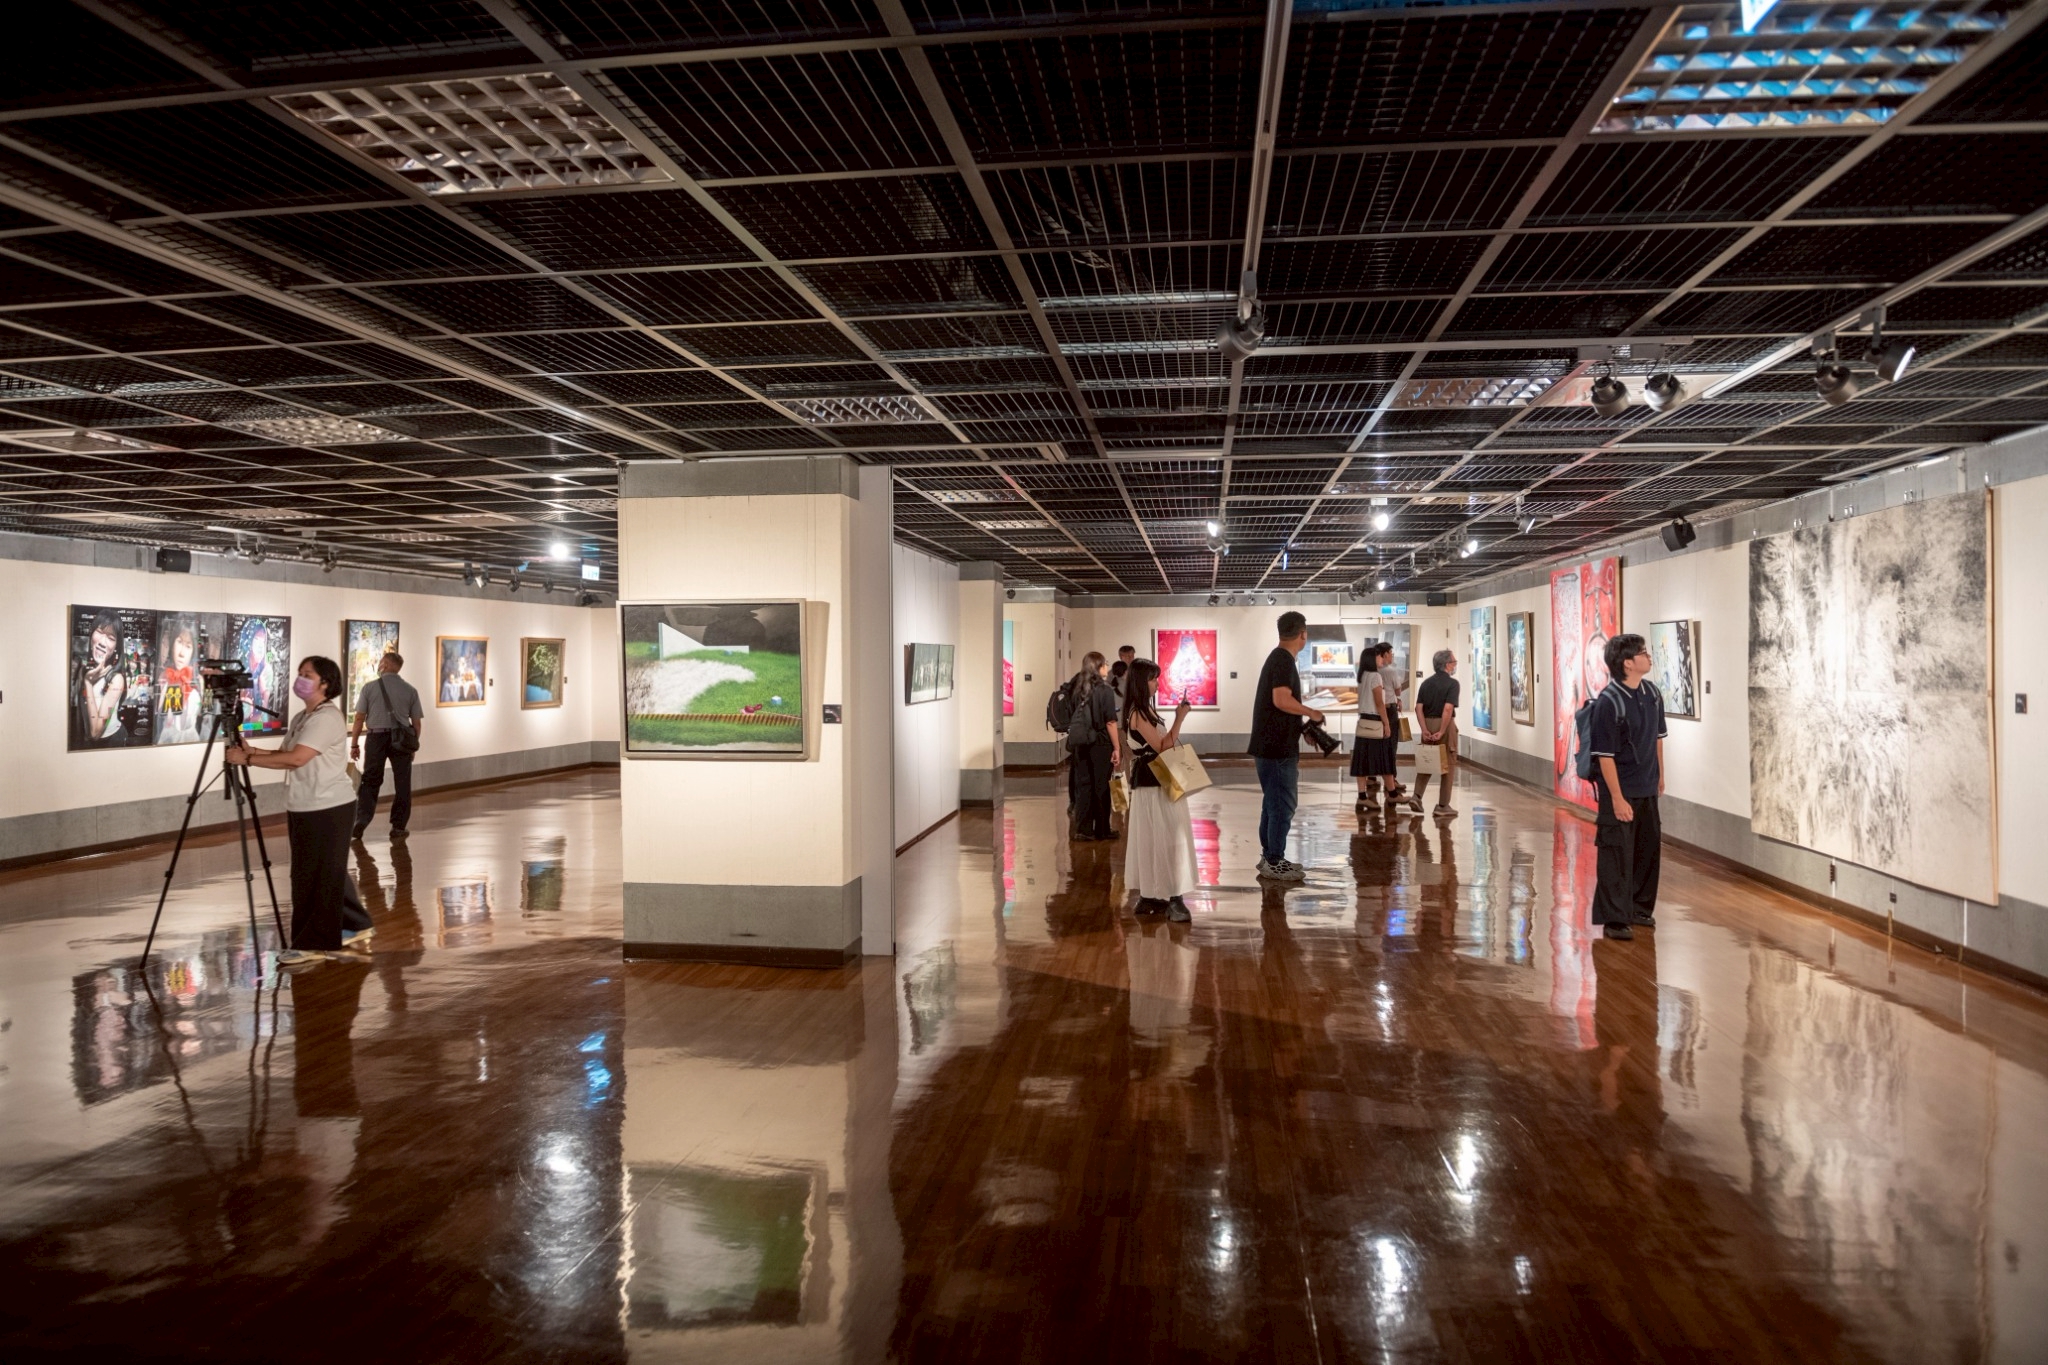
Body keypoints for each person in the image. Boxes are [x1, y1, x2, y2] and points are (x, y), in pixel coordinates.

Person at [225, 655, 358, 967]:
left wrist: (248, 760)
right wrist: (252, 751)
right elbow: (286, 753)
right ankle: (317, 939)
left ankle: (314, 943)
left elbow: (297, 759)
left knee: (319, 877)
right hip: (305, 804)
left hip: (328, 806)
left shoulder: (326, 718)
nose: (300, 679)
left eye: (307, 674)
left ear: (325, 683)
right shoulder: (303, 717)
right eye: (300, 673)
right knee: (306, 876)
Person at [1590, 632, 1668, 942]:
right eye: (1643, 653)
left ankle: (1639, 908)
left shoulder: (1652, 694)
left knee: (1648, 850)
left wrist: (1660, 775)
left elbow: (1658, 738)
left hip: (1647, 787)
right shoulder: (1608, 703)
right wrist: (1617, 798)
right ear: (1627, 663)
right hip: (1620, 790)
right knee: (1616, 854)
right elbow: (1605, 756)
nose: (1649, 657)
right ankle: (1615, 918)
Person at [1247, 611, 1323, 881]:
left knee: (1273, 803)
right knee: (1282, 805)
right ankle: (1274, 861)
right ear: (1303, 634)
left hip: (1272, 745)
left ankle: (1270, 856)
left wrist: (1302, 728)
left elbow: (1278, 707)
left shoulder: (1278, 658)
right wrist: (1311, 713)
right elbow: (1281, 700)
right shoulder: (1282, 660)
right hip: (1276, 748)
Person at [1121, 658, 1198, 922]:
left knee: (1163, 834)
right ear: (1141, 682)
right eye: (1153, 679)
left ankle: (1153, 894)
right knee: (1164, 835)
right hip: (1152, 780)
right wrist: (1180, 718)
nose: (1157, 683)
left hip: (1159, 777)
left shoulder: (1146, 710)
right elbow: (1162, 746)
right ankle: (1171, 897)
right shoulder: (1138, 714)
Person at [350, 650, 423, 840]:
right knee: (403, 783)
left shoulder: (369, 688)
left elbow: (359, 718)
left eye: (381, 662)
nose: (379, 665)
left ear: (387, 665)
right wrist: (412, 746)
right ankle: (398, 826)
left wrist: (354, 744)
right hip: (401, 739)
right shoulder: (410, 690)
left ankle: (361, 821)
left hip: (376, 738)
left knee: (370, 780)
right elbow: (416, 724)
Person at [1350, 641, 1414, 813]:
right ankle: (1392, 793)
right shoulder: (1375, 677)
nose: (1381, 659)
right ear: (1373, 659)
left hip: (1363, 722)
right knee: (1386, 757)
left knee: (1362, 761)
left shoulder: (1362, 676)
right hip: (1376, 721)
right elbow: (1380, 703)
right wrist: (1386, 723)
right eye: (1378, 657)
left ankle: (1362, 796)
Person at [1065, 651, 1121, 842]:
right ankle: (1102, 829)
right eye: (1105, 663)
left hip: (1081, 743)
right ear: (1099, 667)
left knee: (1083, 786)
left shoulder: (1077, 689)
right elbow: (1110, 721)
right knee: (1101, 786)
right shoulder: (1105, 691)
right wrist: (1117, 747)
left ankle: (1083, 829)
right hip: (1101, 743)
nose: (1107, 667)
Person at [1413, 649, 1460, 818]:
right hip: (1444, 724)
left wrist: (1424, 729)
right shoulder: (1453, 684)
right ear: (1447, 665)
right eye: (1454, 662)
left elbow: (1418, 708)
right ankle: (1443, 805)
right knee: (1448, 763)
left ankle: (1416, 796)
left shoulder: (1426, 683)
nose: (1455, 665)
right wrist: (1442, 730)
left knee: (1427, 760)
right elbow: (1448, 709)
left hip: (1427, 722)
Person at [77, 611, 127, 744]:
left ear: (116, 647)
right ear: (91, 634)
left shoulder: (116, 679)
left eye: (111, 638)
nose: (102, 642)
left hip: (110, 742)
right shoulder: (83, 670)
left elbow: (95, 733)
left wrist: (88, 683)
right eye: (99, 632)